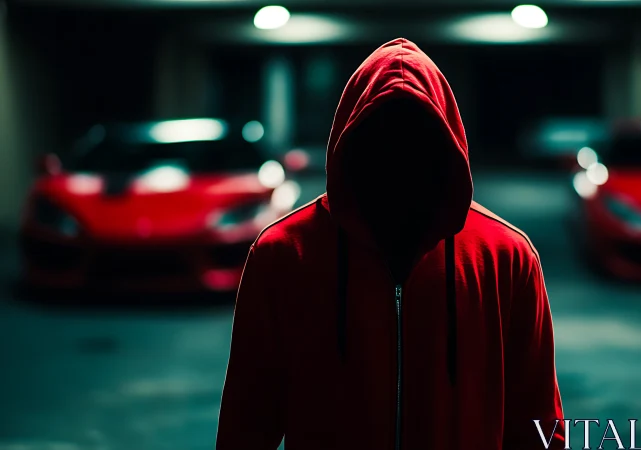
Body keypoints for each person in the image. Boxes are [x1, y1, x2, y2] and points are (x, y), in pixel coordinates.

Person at [216, 37, 565, 450]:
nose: (399, 152)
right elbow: (246, 423)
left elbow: (539, 426)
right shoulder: (285, 254)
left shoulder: (505, 257)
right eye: (381, 133)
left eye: (417, 133)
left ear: (445, 142)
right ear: (351, 139)